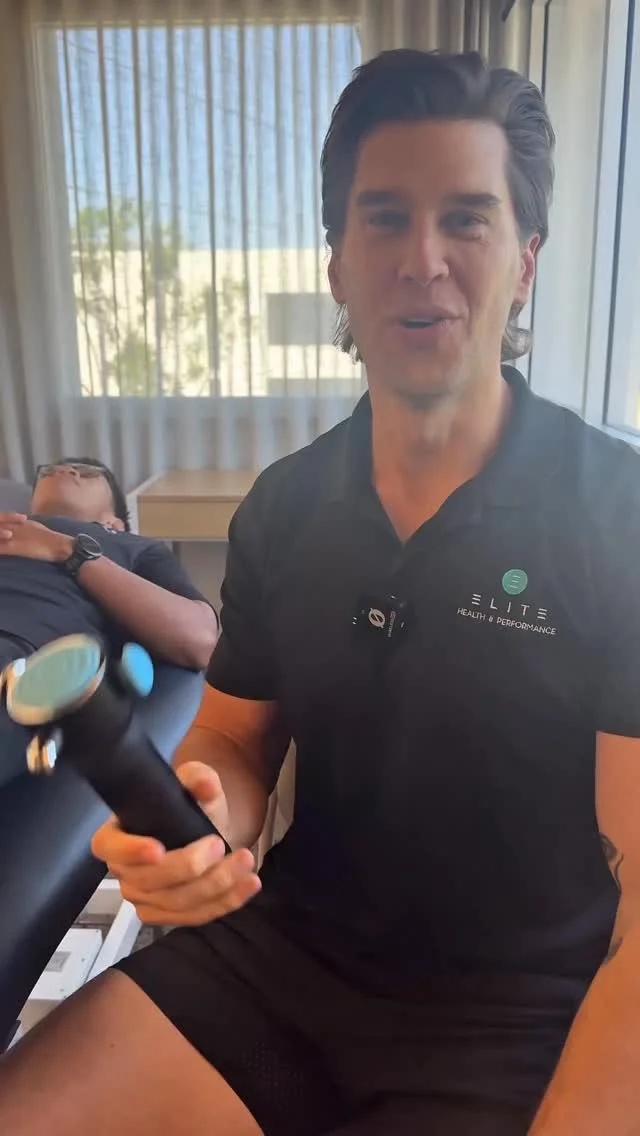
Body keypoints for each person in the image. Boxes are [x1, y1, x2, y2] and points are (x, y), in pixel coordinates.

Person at [1, 48, 639, 1136]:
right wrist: (209, 815)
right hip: (288, 960)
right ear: (337, 263)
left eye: (466, 219)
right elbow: (236, 739)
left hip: (517, 1011)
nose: (422, 260)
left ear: (525, 261)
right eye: (384, 219)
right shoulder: (287, 505)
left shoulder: (614, 510)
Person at [0, 457, 217, 788]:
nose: (65, 470)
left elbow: (199, 639)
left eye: (86, 473)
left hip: (19, 661)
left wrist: (67, 550)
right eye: (50, 470)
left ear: (113, 522)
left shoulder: (133, 548)